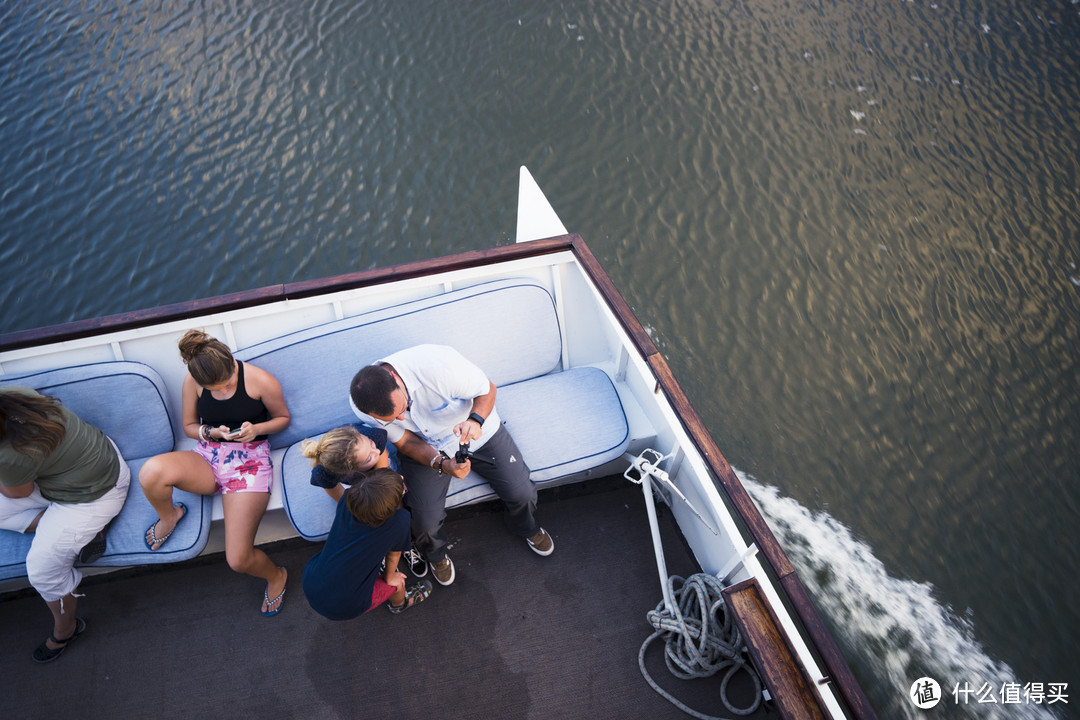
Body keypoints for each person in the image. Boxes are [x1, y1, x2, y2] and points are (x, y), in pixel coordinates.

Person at [349, 344, 553, 587]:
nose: (402, 419)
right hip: (426, 447)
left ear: (395, 378)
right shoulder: (362, 406)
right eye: (394, 419)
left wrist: (475, 420)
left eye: (403, 409)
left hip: (480, 432)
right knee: (423, 521)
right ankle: (436, 556)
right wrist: (442, 464)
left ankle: (527, 527)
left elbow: (487, 390)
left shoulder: (439, 366)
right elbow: (404, 440)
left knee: (522, 492)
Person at [138, 329, 290, 616]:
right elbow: (189, 426)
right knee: (150, 472)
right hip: (208, 455)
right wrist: (209, 431)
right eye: (214, 389)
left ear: (232, 362)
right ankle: (170, 516)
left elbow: (283, 418)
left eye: (227, 384)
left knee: (238, 559)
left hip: (250, 464)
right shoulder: (193, 381)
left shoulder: (259, 380)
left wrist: (257, 429)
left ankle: (276, 575)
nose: (221, 392)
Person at [0, 386, 131, 663]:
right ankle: (83, 531)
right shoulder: (13, 395)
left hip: (97, 494)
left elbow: (17, 492)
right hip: (81, 469)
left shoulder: (9, 454)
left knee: (41, 569)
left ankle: (67, 629)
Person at [302, 468, 432, 619]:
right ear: (391, 506)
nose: (402, 479)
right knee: (398, 583)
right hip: (345, 605)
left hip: (312, 580)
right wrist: (390, 577)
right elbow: (394, 555)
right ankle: (399, 604)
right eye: (402, 488)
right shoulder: (400, 520)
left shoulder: (347, 498)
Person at [301, 424, 425, 577]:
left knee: (396, 508)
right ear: (350, 471)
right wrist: (363, 509)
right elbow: (346, 503)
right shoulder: (324, 473)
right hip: (358, 487)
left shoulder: (372, 436)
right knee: (367, 518)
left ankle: (405, 545)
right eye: (368, 457)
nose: (377, 451)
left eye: (372, 445)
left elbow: (383, 471)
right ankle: (382, 552)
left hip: (381, 476)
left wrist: (383, 495)